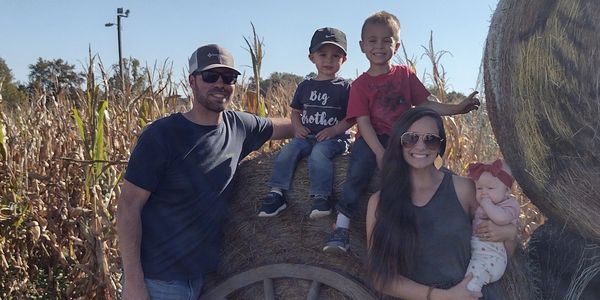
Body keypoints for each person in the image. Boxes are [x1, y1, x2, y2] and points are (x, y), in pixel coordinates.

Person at [116, 44, 293, 300]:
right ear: (192, 81)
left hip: (205, 280)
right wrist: (133, 283)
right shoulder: (162, 136)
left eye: (228, 77)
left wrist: (337, 123)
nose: (220, 84)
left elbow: (289, 127)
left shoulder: (239, 127)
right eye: (210, 76)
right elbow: (128, 207)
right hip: (159, 282)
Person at [323, 10, 481, 252]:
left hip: (403, 138)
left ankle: (418, 229)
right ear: (362, 46)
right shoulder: (360, 85)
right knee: (357, 174)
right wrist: (378, 151)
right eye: (372, 40)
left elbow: (426, 103)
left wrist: (457, 108)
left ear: (396, 46)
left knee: (416, 179)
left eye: (387, 40)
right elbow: (363, 122)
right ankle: (342, 227)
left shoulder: (405, 75)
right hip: (371, 139)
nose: (379, 46)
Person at [365, 107, 517, 299]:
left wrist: (509, 233)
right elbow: (380, 277)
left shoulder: (464, 189)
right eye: (411, 138)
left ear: (439, 146)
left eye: (431, 140)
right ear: (399, 142)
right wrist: (441, 296)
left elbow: (497, 254)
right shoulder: (379, 202)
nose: (420, 146)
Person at [257, 27, 353, 219]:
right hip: (307, 137)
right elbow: (295, 112)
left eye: (336, 55)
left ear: (344, 59)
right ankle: (276, 193)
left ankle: (321, 198)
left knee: (319, 154)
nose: (328, 60)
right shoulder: (305, 85)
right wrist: (298, 127)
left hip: (334, 139)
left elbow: (352, 117)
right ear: (312, 58)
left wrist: (334, 130)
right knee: (287, 151)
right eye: (322, 54)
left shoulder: (345, 87)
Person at [465, 159, 520, 292]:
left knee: (470, 281)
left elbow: (501, 219)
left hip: (493, 257)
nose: (484, 192)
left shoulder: (509, 204)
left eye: (490, 188)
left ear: (506, 191)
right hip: (480, 251)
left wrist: (486, 204)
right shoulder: (483, 203)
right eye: (479, 188)